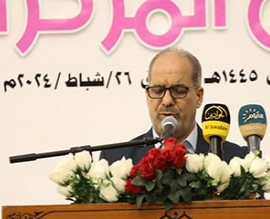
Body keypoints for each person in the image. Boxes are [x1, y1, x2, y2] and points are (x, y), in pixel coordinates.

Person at [100, 48, 248, 164]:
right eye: (158, 90)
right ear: (147, 95)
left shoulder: (237, 160)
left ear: (198, 96)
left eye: (179, 90)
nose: (167, 101)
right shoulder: (116, 160)